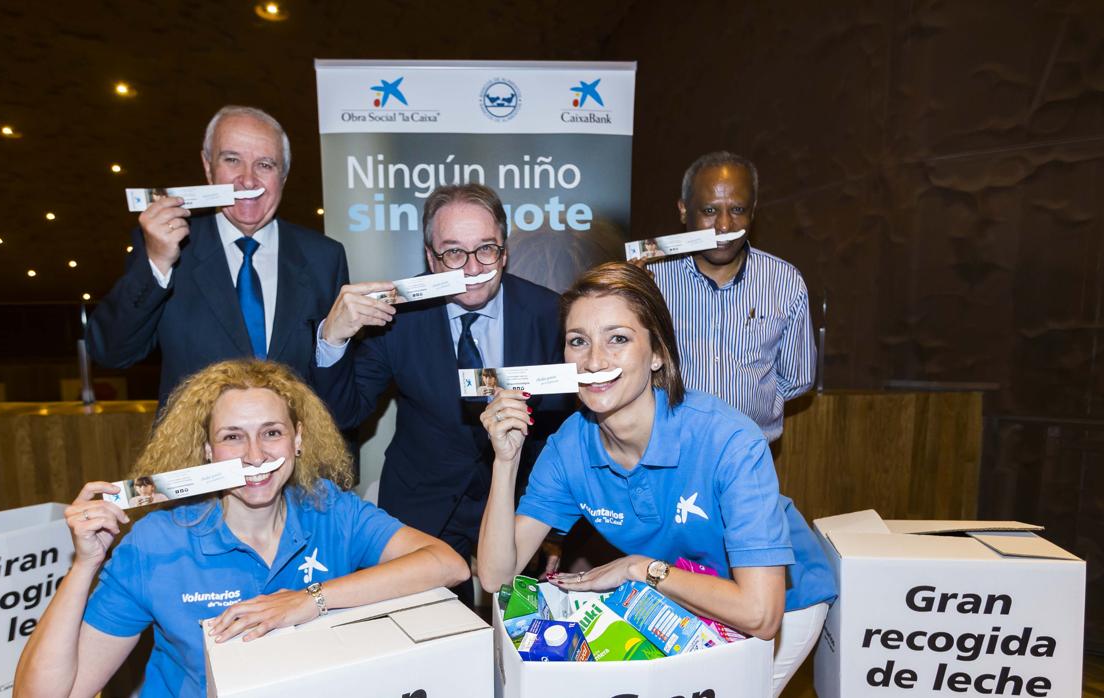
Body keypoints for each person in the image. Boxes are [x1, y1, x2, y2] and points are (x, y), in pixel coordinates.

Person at [477, 263, 836, 696]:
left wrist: (638, 568)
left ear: (657, 353)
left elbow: (761, 614)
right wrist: (505, 461)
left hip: (779, 604)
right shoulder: (568, 447)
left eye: (618, 339)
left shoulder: (729, 440)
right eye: (578, 341)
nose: (594, 360)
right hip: (677, 598)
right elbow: (497, 578)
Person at [14, 359, 468, 698]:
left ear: (299, 439)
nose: (254, 454)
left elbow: (447, 565)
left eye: (272, 432)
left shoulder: (330, 509)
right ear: (208, 451)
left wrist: (311, 600)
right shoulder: (158, 542)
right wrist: (84, 564)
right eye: (233, 436)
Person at [310, 183, 571, 603]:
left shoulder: (548, 313)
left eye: (486, 249)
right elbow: (344, 413)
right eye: (453, 252)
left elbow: (561, 429)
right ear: (431, 258)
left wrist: (554, 525)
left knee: (524, 640)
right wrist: (333, 338)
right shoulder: (396, 315)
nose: (471, 268)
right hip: (422, 504)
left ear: (504, 252)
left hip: (518, 506)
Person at [87, 105, 348, 406]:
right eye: (232, 160)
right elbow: (111, 352)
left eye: (265, 165)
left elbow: (337, 385)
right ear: (208, 167)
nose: (248, 181)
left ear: (284, 176)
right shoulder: (168, 248)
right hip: (196, 449)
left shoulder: (324, 258)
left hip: (295, 449)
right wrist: (157, 263)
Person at [646, 151, 815, 442]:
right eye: (710, 211)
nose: (724, 226)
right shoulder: (653, 280)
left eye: (737, 210)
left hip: (749, 456)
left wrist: (752, 407)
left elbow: (797, 378)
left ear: (753, 211)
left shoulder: (785, 282)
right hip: (668, 453)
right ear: (684, 210)